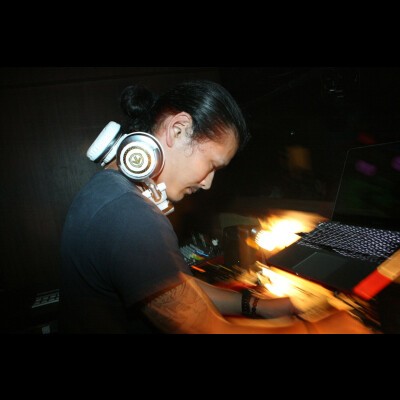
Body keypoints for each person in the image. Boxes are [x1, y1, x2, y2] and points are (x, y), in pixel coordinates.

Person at [59, 80, 374, 334]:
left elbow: (175, 286)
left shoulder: (111, 192)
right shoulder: (129, 214)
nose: (208, 183)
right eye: (211, 164)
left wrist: (253, 304)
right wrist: (320, 328)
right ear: (178, 129)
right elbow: (209, 330)